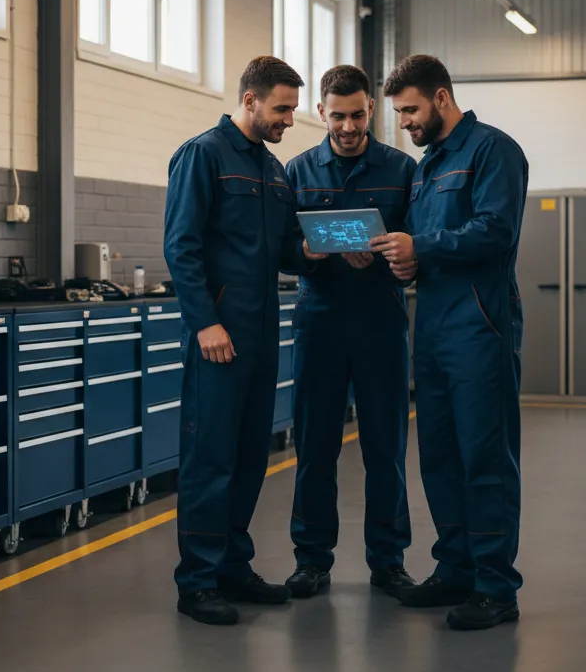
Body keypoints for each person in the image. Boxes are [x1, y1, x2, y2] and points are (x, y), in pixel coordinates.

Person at [163, 55, 326, 626]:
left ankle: (233, 566)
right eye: (281, 108)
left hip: (260, 335)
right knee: (210, 457)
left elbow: (285, 252)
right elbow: (181, 246)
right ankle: (197, 581)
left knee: (251, 455)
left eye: (293, 110)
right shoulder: (203, 155)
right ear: (250, 100)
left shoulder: (273, 170)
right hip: (218, 335)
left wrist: (322, 249)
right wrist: (204, 322)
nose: (288, 120)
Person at [370, 54, 529, 631]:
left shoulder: (493, 150)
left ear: (441, 97)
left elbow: (495, 230)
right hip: (433, 326)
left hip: (480, 324)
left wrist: (422, 247)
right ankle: (455, 568)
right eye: (399, 113)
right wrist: (404, 262)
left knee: (484, 455)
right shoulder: (428, 166)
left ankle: (495, 587)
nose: (405, 123)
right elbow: (423, 244)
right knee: (438, 454)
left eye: (411, 110)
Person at [281, 65, 418, 599]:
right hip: (319, 323)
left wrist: (387, 256)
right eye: (337, 116)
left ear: (371, 110)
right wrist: (309, 252)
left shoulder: (402, 170)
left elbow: (418, 246)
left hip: (381, 323)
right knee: (316, 447)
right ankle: (311, 560)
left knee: (386, 447)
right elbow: (282, 249)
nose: (348, 127)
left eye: (358, 115)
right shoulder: (297, 171)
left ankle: (388, 562)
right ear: (321, 112)